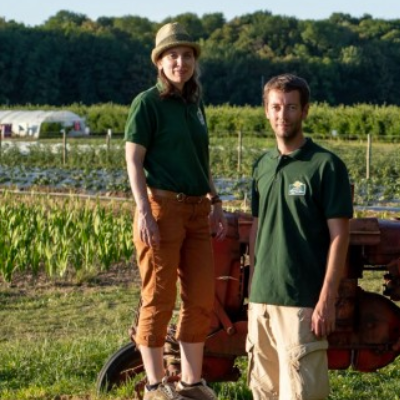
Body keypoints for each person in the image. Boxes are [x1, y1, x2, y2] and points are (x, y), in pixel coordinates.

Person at [124, 22, 224, 400]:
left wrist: (216, 201)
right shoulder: (147, 103)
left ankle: (191, 382)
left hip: (198, 211)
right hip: (161, 208)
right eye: (172, 56)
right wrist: (144, 212)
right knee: (160, 297)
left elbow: (203, 161)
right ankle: (154, 385)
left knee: (200, 298)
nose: (180, 62)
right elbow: (134, 162)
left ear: (194, 62)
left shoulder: (195, 104)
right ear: (160, 62)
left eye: (186, 56)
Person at [247, 74, 353, 400]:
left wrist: (326, 299)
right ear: (266, 111)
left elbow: (340, 237)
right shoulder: (262, 165)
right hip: (261, 301)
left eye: (291, 107)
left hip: (302, 303)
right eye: (276, 107)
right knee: (263, 391)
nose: (283, 115)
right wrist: (252, 290)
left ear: (305, 111)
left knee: (302, 394)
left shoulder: (326, 166)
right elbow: (257, 227)